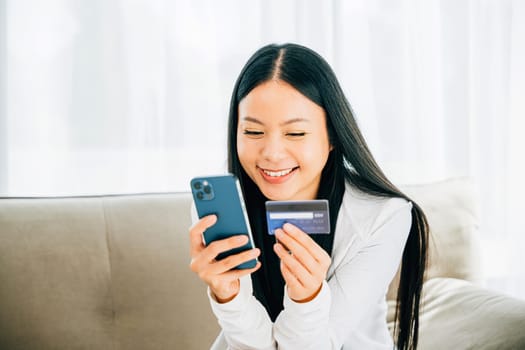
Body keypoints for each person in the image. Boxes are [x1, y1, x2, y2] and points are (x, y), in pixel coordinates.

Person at [189, 43, 428, 350]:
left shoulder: (383, 216)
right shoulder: (220, 206)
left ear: (332, 137)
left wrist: (308, 300)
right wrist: (229, 295)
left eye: (296, 134)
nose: (272, 154)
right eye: (252, 132)